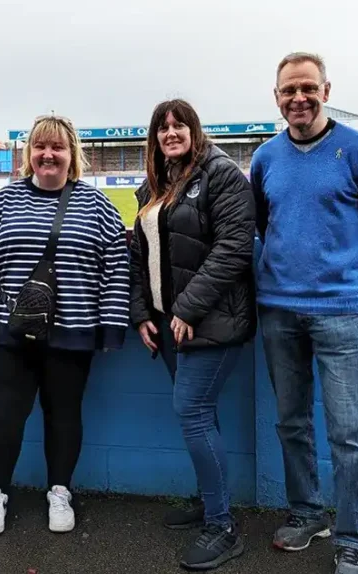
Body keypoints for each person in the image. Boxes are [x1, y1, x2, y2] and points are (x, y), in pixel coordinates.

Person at [250, 52, 358, 574]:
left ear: (326, 90)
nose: (299, 98)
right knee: (291, 423)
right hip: (279, 311)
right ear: (276, 97)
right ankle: (307, 513)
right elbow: (264, 225)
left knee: (348, 434)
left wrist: (349, 275)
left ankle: (352, 539)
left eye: (308, 88)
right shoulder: (265, 158)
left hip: (342, 314)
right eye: (289, 90)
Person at [0, 114, 130, 536]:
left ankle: (60, 491)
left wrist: (111, 327)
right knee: (5, 415)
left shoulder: (97, 206)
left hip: (74, 333)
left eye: (57, 146)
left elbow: (116, 269)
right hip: (12, 333)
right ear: (29, 154)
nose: (48, 154)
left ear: (72, 153)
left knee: (64, 415)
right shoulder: (4, 201)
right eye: (40, 146)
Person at [128, 99, 257, 571]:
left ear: (194, 130)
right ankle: (211, 500)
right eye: (162, 127)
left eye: (179, 124)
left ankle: (223, 527)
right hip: (168, 325)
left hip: (210, 322)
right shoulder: (154, 183)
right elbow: (140, 254)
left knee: (193, 411)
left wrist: (187, 308)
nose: (171, 132)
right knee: (200, 414)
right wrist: (143, 312)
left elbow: (234, 248)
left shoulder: (221, 174)